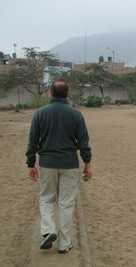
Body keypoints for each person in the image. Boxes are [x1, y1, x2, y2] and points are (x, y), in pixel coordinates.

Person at [25, 78, 93, 254]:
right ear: (68, 94)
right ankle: (63, 243)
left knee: (47, 198)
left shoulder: (40, 114)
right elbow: (83, 142)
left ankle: (48, 230)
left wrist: (31, 164)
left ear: (51, 94)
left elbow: (33, 142)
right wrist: (87, 164)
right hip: (69, 164)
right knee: (66, 203)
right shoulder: (75, 114)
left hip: (47, 164)